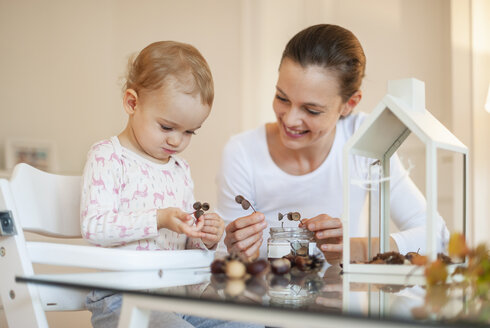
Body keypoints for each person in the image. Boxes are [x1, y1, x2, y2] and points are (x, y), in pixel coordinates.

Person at [216, 24, 449, 263]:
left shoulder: (366, 139)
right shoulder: (241, 152)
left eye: (311, 110)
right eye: (282, 98)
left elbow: (438, 236)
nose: (290, 119)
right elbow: (227, 260)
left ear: (349, 104)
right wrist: (237, 250)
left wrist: (357, 248)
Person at [80, 41, 259, 328]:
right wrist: (159, 218)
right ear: (132, 103)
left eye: (190, 131)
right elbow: (94, 227)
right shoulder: (108, 156)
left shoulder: (179, 169)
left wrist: (204, 237)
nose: (177, 141)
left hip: (179, 296)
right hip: (121, 297)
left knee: (247, 323)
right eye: (167, 127)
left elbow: (187, 243)